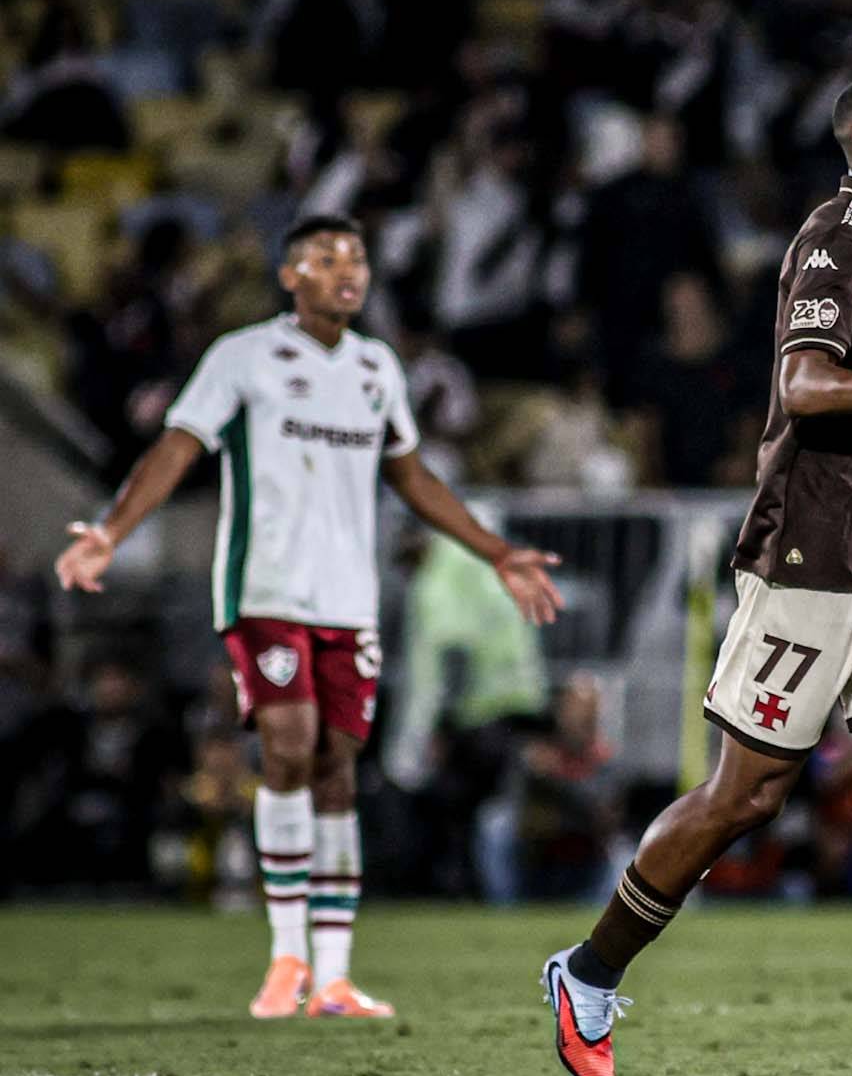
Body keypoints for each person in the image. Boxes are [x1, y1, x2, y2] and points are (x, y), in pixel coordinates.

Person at [540, 72, 852, 1076]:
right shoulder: (835, 239)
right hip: (811, 556)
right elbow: (802, 384)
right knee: (747, 793)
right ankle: (587, 973)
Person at [53, 214, 564, 1020]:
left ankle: (333, 972)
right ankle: (285, 955)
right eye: (326, 259)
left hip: (347, 601)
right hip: (266, 592)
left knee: (335, 766)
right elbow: (179, 447)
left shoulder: (375, 367)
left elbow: (412, 475)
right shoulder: (243, 356)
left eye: (356, 258)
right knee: (288, 744)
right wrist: (111, 531)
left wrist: (496, 551)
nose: (346, 271)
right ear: (290, 276)